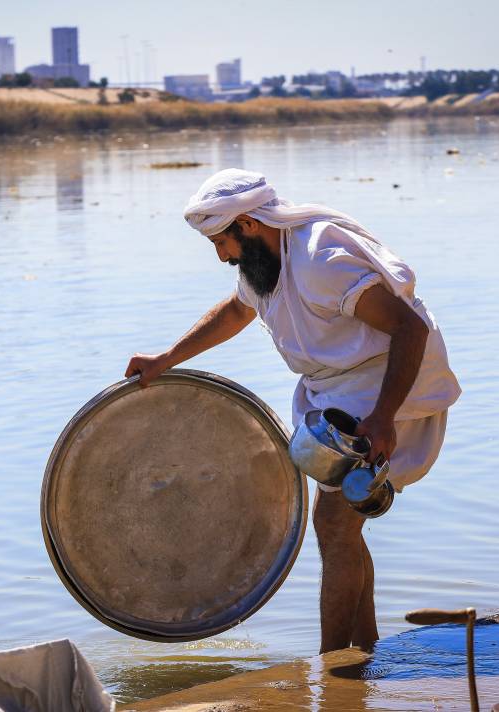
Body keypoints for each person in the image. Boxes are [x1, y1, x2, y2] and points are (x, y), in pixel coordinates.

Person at [125, 169, 461, 652]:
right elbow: (238, 311)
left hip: (391, 382)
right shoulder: (263, 263)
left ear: (248, 224)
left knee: (333, 523)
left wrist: (384, 417)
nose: (222, 256)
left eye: (221, 242)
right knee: (343, 526)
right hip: (337, 391)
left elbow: (410, 329)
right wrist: (166, 359)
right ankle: (365, 649)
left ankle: (333, 665)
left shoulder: (322, 259)